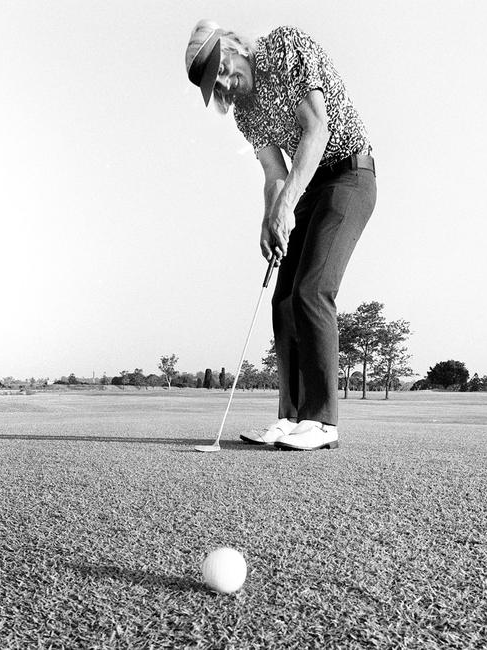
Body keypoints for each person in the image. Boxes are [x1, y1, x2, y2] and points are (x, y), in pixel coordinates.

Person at [185, 20, 377, 451]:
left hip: (350, 176)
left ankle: (323, 423)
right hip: (306, 188)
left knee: (311, 291)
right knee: (284, 299)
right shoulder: (246, 114)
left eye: (223, 66)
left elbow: (317, 129)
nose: (225, 82)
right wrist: (270, 218)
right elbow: (275, 173)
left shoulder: (285, 48)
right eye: (215, 82)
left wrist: (286, 204)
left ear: (234, 45)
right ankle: (290, 419)